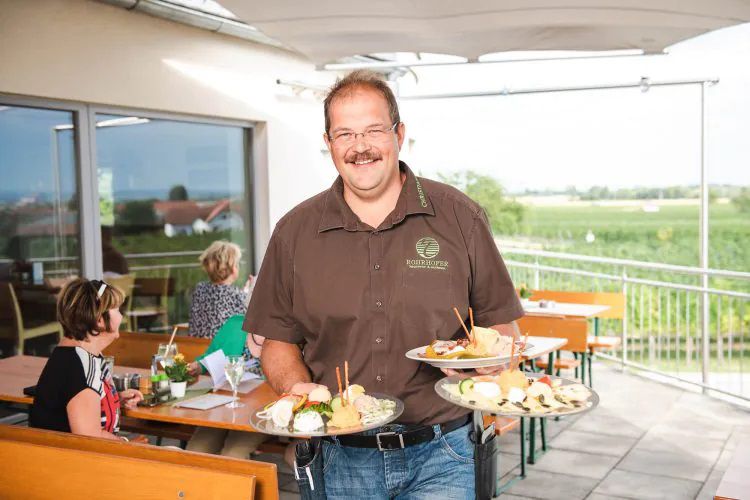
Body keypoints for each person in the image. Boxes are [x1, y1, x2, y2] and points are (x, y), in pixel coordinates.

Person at [244, 70, 524, 498]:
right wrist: (295, 390)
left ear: (399, 134)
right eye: (345, 134)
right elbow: (277, 341)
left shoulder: (460, 218)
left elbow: (502, 326)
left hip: (444, 453)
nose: (360, 146)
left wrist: (489, 362)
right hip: (338, 456)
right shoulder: (293, 232)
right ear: (329, 143)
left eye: (374, 130)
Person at [29, 278, 143, 440]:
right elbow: (90, 439)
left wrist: (113, 400)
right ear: (99, 320)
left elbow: (79, 400)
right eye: (117, 309)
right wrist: (129, 445)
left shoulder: (74, 354)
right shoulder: (81, 365)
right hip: (72, 455)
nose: (121, 315)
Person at [185, 315, 267, 459]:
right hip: (226, 405)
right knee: (195, 451)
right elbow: (210, 356)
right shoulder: (235, 324)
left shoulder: (283, 329)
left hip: (261, 409)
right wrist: (198, 367)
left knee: (233, 455)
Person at [189, 241, 256, 339]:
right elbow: (251, 320)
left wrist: (244, 293)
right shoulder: (237, 296)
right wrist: (249, 293)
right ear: (233, 268)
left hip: (199, 347)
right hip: (226, 348)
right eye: (237, 263)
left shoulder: (200, 289)